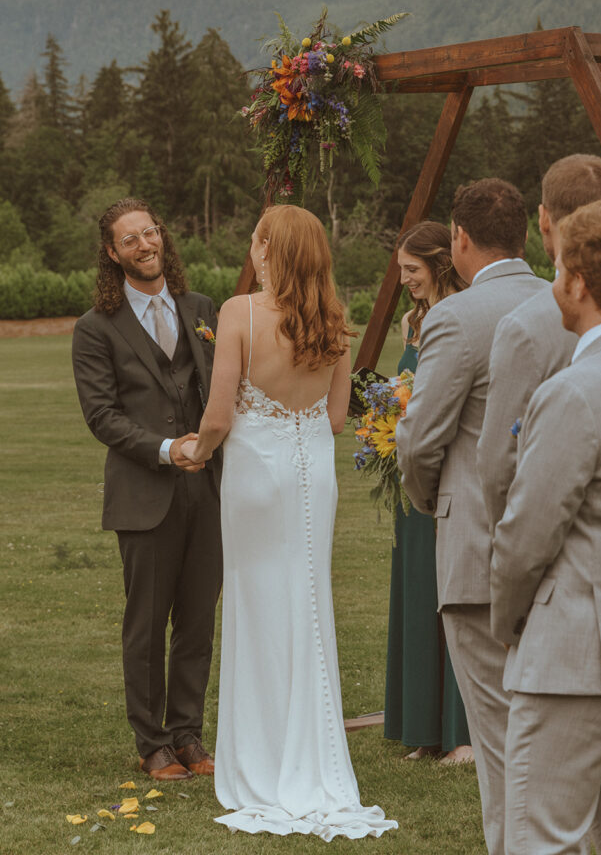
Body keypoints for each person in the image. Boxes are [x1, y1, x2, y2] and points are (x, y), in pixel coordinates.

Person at [478, 153, 601, 849]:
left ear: (578, 282)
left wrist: (505, 623)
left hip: (574, 655)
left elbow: (526, 533)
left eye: (561, 271)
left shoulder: (573, 391)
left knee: (542, 836)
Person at [181, 205, 398, 840]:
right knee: (307, 599)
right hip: (313, 471)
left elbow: (218, 416)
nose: (252, 250)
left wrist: (196, 448)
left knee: (257, 603)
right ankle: (310, 751)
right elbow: (334, 416)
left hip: (255, 473)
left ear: (269, 250)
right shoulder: (333, 321)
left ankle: (266, 758)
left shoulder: (239, 312)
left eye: (255, 240)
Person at [396, 179, 546, 855]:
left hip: (479, 545)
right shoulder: (560, 301)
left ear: (457, 239)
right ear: (526, 233)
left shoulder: (455, 316)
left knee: (498, 739)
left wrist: (434, 502)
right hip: (556, 544)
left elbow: (420, 439)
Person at [71, 198, 222, 782]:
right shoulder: (94, 328)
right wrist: (166, 449)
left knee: (198, 620)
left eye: (150, 232)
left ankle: (188, 735)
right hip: (144, 494)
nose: (144, 244)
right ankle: (152, 743)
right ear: (113, 253)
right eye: (129, 239)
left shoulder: (202, 309)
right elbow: (101, 416)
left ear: (162, 237)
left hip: (206, 491)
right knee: (147, 622)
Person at [384, 220, 474, 766]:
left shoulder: (460, 315)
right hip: (411, 476)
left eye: (412, 271)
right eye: (401, 272)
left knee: (453, 595)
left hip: (449, 472)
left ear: (439, 264)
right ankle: (424, 729)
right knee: (417, 594)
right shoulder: (411, 321)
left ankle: (461, 732)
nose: (406, 281)